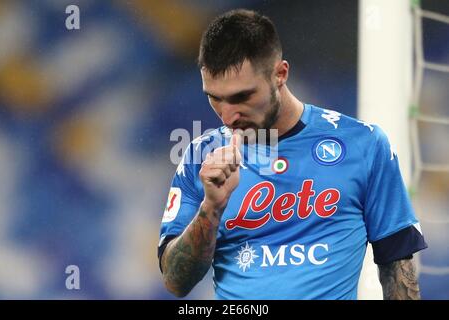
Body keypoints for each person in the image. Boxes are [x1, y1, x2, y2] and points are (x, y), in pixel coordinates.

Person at [157, 9, 427, 299]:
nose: (227, 116)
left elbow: (397, 264)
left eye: (242, 97)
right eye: (214, 98)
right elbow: (175, 282)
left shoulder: (364, 145)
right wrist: (211, 208)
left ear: (280, 74)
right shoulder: (201, 157)